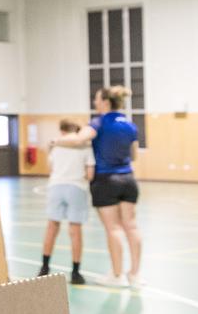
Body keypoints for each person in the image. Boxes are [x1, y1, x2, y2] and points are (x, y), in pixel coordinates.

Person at [58, 86, 142, 287]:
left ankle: (116, 274)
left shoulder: (98, 123)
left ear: (105, 102)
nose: (95, 103)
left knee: (113, 228)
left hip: (106, 181)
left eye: (96, 99)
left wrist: (57, 141)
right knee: (131, 226)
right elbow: (134, 156)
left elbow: (79, 138)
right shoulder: (130, 126)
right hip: (129, 180)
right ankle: (135, 275)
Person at [38, 119, 94, 285]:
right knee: (75, 230)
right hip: (77, 187)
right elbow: (90, 174)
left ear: (61, 130)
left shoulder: (56, 146)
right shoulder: (86, 146)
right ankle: (76, 273)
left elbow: (51, 169)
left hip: (56, 187)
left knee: (52, 227)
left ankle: (44, 267)